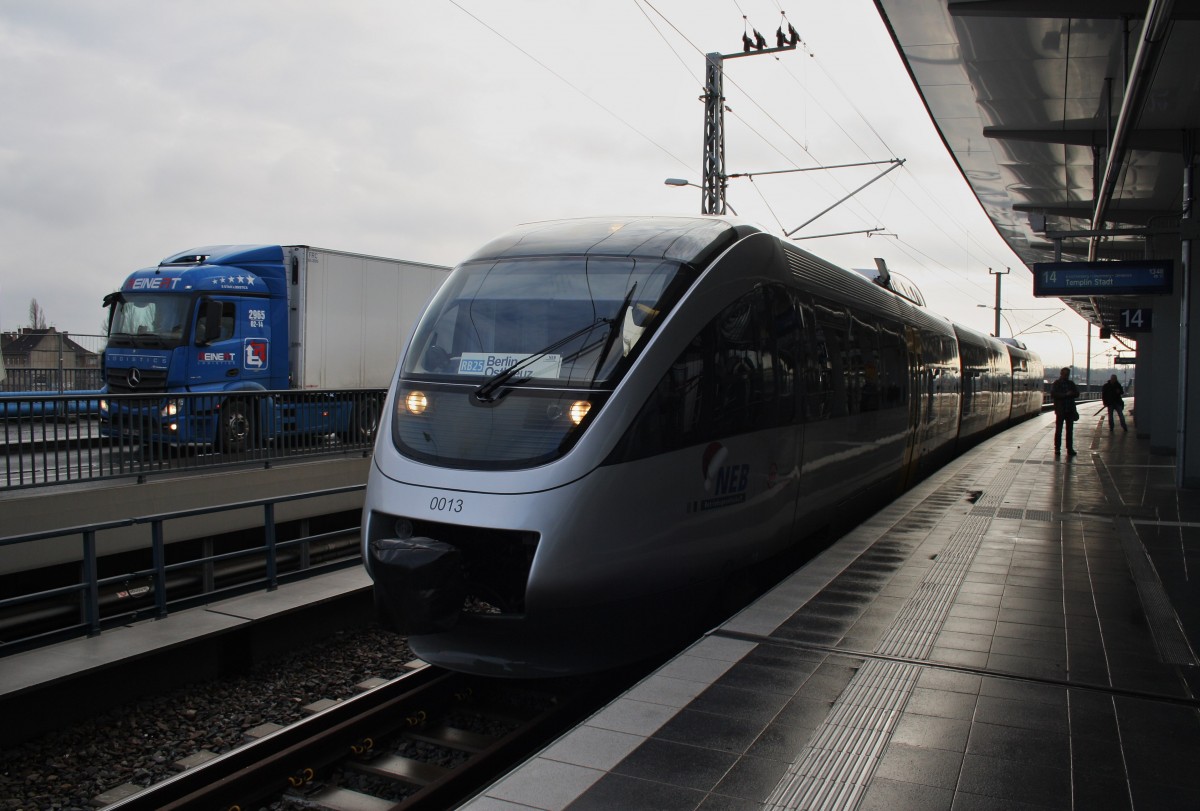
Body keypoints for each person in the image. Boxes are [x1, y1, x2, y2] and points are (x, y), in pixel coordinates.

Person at [1049, 366, 1080, 456]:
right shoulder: (1056, 383)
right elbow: (1053, 394)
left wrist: (1072, 394)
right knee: (1059, 430)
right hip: (1061, 410)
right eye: (1065, 374)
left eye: (1067, 374)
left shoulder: (1071, 384)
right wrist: (1065, 395)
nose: (1066, 376)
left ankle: (1069, 449)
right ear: (1061, 374)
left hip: (1070, 410)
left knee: (1069, 431)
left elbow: (1077, 393)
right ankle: (1057, 448)